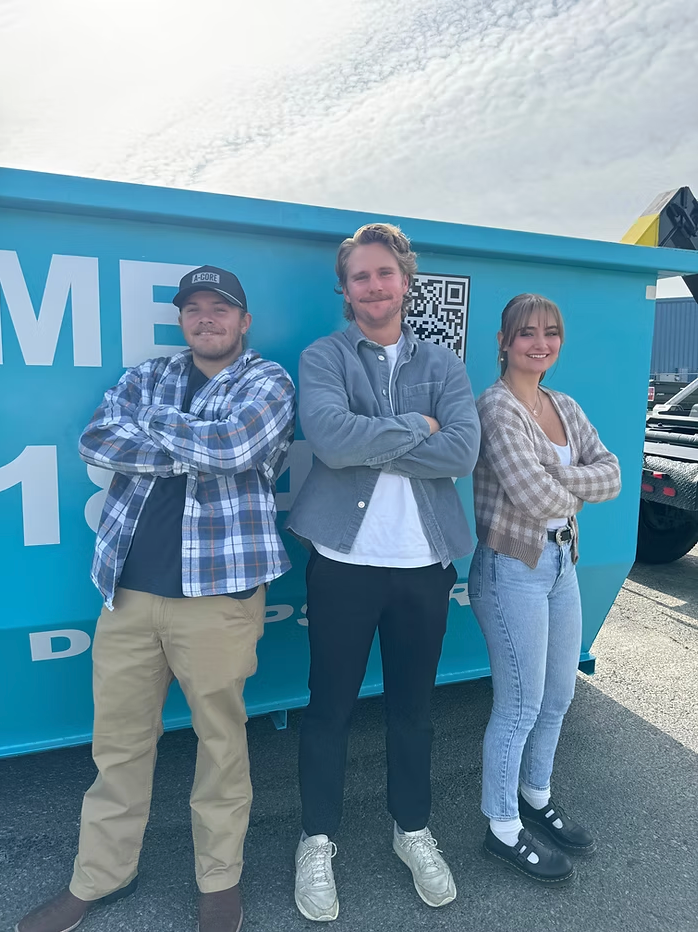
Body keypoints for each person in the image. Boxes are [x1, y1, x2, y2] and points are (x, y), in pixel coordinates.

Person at [16, 266, 296, 932]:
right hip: (128, 596)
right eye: (194, 309)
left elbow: (238, 445)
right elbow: (97, 438)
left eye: (219, 308)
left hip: (218, 602)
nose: (206, 319)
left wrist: (152, 434)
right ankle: (99, 877)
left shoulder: (268, 381)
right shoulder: (150, 374)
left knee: (220, 745)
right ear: (182, 319)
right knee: (117, 747)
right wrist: (188, 442)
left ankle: (219, 883)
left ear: (243, 320)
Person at [286, 223, 480, 921]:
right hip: (343, 566)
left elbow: (460, 451)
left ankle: (413, 829)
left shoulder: (446, 365)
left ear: (406, 280)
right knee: (328, 710)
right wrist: (416, 429)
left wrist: (397, 436)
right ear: (345, 290)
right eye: (360, 277)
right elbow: (331, 441)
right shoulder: (324, 355)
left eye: (384, 274)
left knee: (413, 711)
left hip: (424, 565)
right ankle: (317, 841)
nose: (374, 287)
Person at [468, 293, 621, 884]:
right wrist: (570, 480)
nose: (540, 343)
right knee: (520, 705)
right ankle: (502, 827)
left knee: (559, 695)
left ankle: (536, 794)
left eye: (550, 333)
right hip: (512, 569)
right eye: (526, 333)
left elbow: (611, 470)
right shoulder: (496, 408)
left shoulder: (564, 405)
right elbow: (537, 500)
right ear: (504, 342)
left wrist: (559, 475)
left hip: (562, 565)